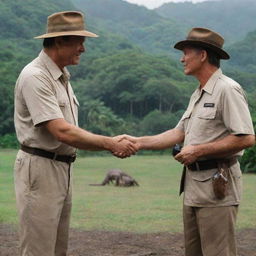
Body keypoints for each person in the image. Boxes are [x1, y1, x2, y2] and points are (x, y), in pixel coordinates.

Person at [118, 27, 255, 256]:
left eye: (186, 53)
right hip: (194, 187)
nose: (182, 59)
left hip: (217, 188)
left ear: (202, 55)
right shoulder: (198, 93)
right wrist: (138, 141)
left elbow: (246, 137)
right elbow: (178, 132)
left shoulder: (227, 90)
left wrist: (199, 150)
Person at [14, 11, 137, 256]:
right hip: (41, 168)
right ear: (59, 41)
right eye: (79, 42)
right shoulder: (36, 76)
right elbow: (62, 131)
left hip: (61, 168)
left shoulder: (60, 77)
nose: (83, 49)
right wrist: (111, 143)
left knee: (58, 248)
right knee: (39, 249)